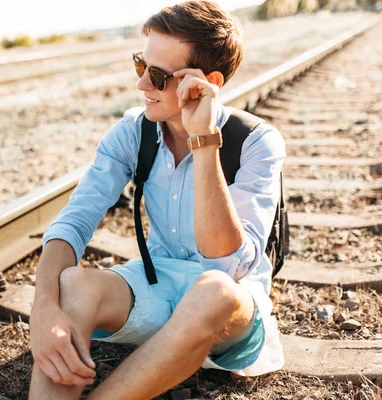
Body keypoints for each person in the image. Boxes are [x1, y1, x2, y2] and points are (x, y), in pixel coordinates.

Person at [28, 1, 286, 398]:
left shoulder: (256, 142)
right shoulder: (133, 132)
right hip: (156, 286)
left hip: (227, 312)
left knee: (213, 289)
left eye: (159, 76)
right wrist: (44, 310)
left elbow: (225, 264)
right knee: (72, 283)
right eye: (140, 66)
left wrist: (203, 140)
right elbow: (75, 220)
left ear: (207, 80)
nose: (142, 85)